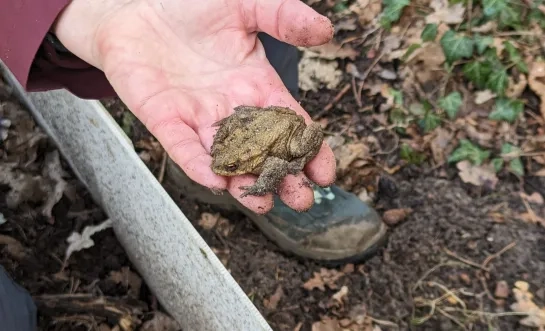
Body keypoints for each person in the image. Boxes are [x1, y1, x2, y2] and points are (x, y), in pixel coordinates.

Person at [0, 1, 388, 328]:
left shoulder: (252, 157)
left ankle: (265, 195)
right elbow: (236, 125)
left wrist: (257, 180)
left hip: (276, 130)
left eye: (232, 162)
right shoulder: (233, 143)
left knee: (259, 63)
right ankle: (210, 184)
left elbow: (269, 163)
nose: (228, 162)